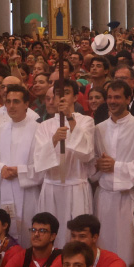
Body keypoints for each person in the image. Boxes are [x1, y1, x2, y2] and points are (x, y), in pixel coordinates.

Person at [93, 80, 134, 264]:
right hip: (104, 197)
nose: (112, 101)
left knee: (128, 247)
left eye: (117, 97)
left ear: (128, 98)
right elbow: (91, 165)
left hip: (128, 198)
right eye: (110, 97)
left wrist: (116, 166)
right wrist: (97, 165)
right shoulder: (99, 129)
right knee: (103, 244)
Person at [33, 81, 97, 245]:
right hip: (52, 187)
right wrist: (54, 139)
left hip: (76, 186)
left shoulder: (86, 121)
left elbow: (87, 154)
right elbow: (39, 161)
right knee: (48, 236)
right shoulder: (44, 126)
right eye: (58, 94)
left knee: (77, 237)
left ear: (76, 97)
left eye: (66, 92)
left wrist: (70, 118)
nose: (61, 97)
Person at [0, 84, 42, 247]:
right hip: (4, 188)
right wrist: (1, 168)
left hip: (28, 192)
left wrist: (20, 171)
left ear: (26, 104)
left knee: (28, 230)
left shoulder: (38, 130)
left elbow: (43, 163)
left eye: (16, 101)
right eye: (8, 101)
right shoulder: (0, 130)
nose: (11, 106)